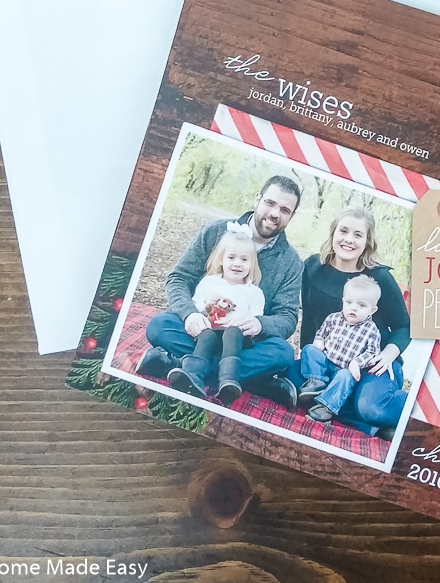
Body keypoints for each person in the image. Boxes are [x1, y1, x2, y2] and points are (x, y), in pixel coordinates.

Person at [137, 175, 303, 408]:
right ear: (258, 199)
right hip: (201, 330)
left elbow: (287, 318)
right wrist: (189, 314)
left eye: (285, 210)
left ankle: (177, 365)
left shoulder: (292, 262)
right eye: (270, 203)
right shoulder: (216, 231)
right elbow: (178, 278)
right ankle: (248, 381)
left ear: (291, 216)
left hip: (243, 342)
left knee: (283, 353)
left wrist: (259, 324)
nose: (275, 213)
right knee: (159, 326)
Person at [289, 205, 410, 437]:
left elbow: (404, 327)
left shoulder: (380, 278)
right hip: (331, 361)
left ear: (367, 242)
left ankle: (385, 412)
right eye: (343, 231)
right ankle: (368, 424)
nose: (348, 240)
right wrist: (310, 356)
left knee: (370, 406)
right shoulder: (313, 267)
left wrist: (388, 356)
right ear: (333, 233)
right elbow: (311, 321)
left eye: (358, 235)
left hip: (372, 364)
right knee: (293, 384)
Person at [166, 222, 265, 406]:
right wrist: (206, 306)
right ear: (221, 259)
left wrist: (247, 322)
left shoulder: (254, 292)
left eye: (244, 260)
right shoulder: (209, 282)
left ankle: (228, 380)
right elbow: (196, 307)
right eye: (231, 258)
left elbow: (257, 318)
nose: (237, 264)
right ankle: (193, 376)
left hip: (237, 338)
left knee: (237, 334)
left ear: (252, 264)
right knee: (202, 334)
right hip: (210, 330)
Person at [299, 273, 382, 423]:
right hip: (325, 363)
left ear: (372, 310)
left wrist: (357, 362)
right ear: (343, 301)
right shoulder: (333, 318)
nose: (353, 308)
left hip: (344, 369)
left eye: (361, 305)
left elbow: (372, 352)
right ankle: (316, 382)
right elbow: (321, 333)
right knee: (309, 349)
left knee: (345, 376)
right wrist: (319, 341)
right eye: (349, 302)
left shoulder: (371, 330)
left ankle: (326, 408)